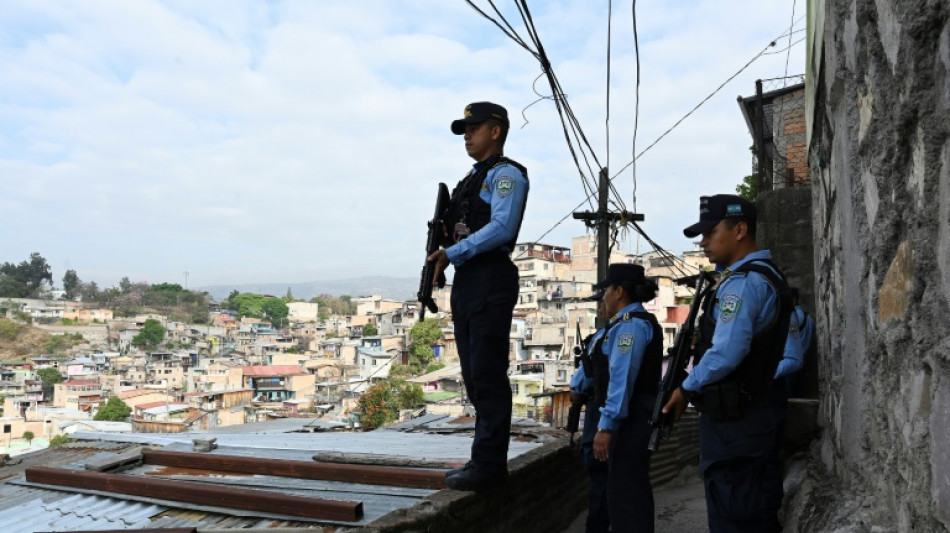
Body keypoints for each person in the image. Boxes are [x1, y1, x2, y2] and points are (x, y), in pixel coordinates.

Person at [662, 194, 791, 533]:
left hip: (735, 426)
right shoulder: (764, 276)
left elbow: (727, 352)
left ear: (740, 230)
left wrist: (685, 389)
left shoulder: (743, 283)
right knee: (754, 514)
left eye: (709, 232)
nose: (702, 242)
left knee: (733, 518)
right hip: (750, 417)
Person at [428, 101, 529, 492]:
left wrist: (452, 253)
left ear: (496, 131)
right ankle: (482, 461)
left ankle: (489, 467)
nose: (467, 136)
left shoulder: (506, 175)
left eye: (474, 128)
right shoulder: (471, 178)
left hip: (490, 277)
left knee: (486, 375)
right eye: (464, 130)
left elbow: (502, 227)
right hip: (469, 281)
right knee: (473, 376)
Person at [591, 263, 663, 533]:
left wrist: (606, 425)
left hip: (631, 421)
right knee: (627, 489)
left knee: (626, 493)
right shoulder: (630, 324)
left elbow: (621, 380)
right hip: (635, 418)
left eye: (607, 290)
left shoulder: (630, 327)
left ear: (619, 291)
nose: (604, 297)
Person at [569, 292, 609, 532]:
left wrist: (577, 389)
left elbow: (585, 378)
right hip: (600, 407)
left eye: (603, 301)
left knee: (598, 473)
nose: (601, 307)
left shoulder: (606, 336)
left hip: (599, 409)